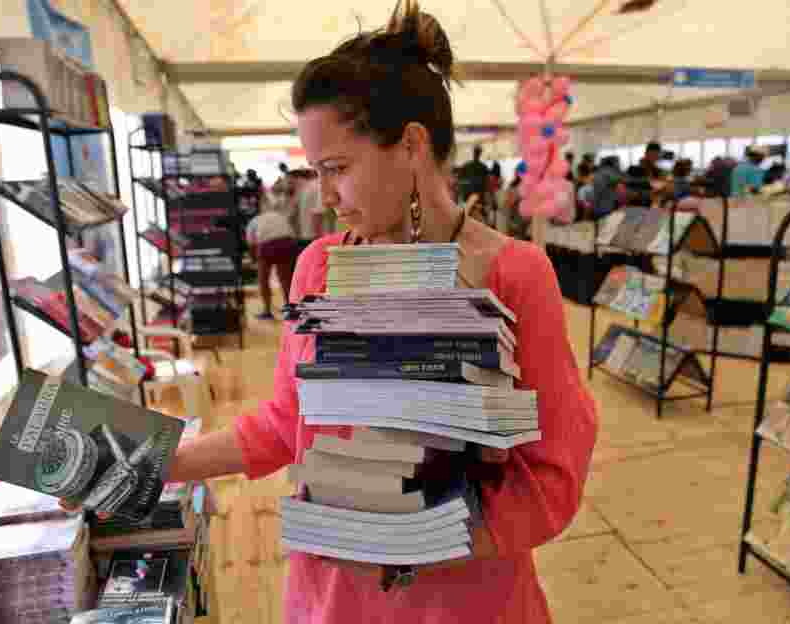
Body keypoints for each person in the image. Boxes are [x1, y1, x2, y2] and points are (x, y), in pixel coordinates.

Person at [65, 3, 597, 621]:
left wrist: (417, 537)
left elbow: (551, 477)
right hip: (332, 600)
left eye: (338, 169)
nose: (325, 195)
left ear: (412, 146)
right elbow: (289, 423)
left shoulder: (514, 274)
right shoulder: (319, 267)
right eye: (317, 172)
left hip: (462, 602)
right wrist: (152, 461)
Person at [245, 204, 298, 320]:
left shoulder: (252, 222)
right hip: (287, 243)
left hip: (267, 245)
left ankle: (267, 311)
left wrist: (254, 260)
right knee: (285, 279)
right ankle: (290, 310)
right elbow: (292, 232)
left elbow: (251, 245)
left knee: (263, 280)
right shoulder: (278, 215)